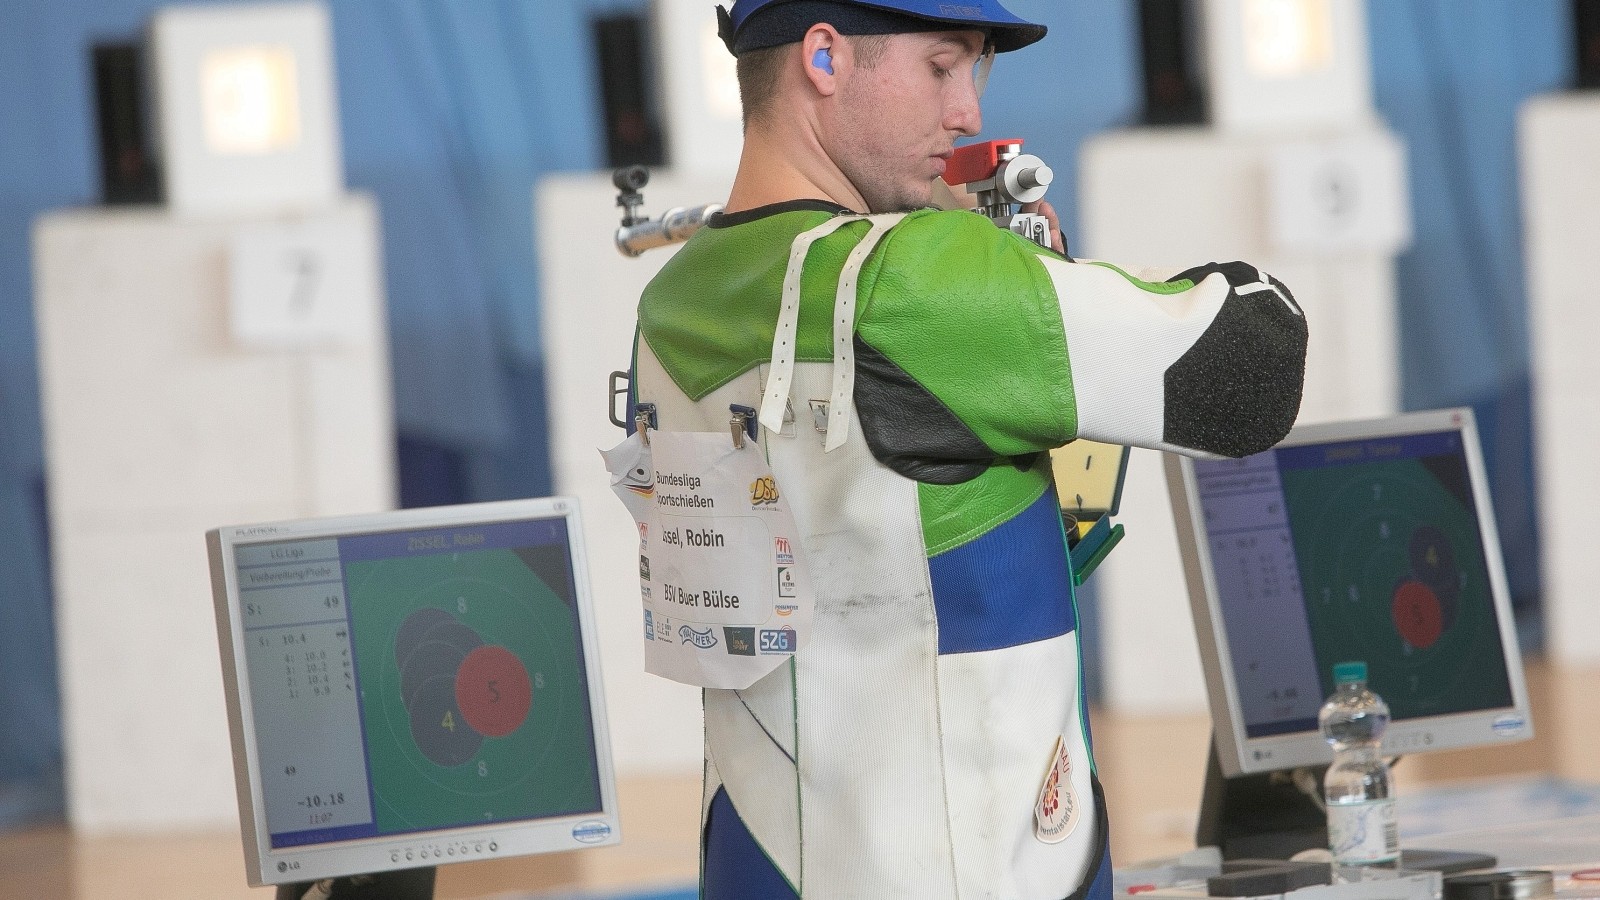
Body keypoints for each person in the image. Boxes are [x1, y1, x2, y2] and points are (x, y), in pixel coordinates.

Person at [628, 1, 1308, 896]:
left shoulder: (672, 302)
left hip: (763, 859)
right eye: (943, 67)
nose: (968, 114)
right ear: (824, 59)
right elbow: (1253, 369)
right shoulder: (914, 276)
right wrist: (1034, 272)